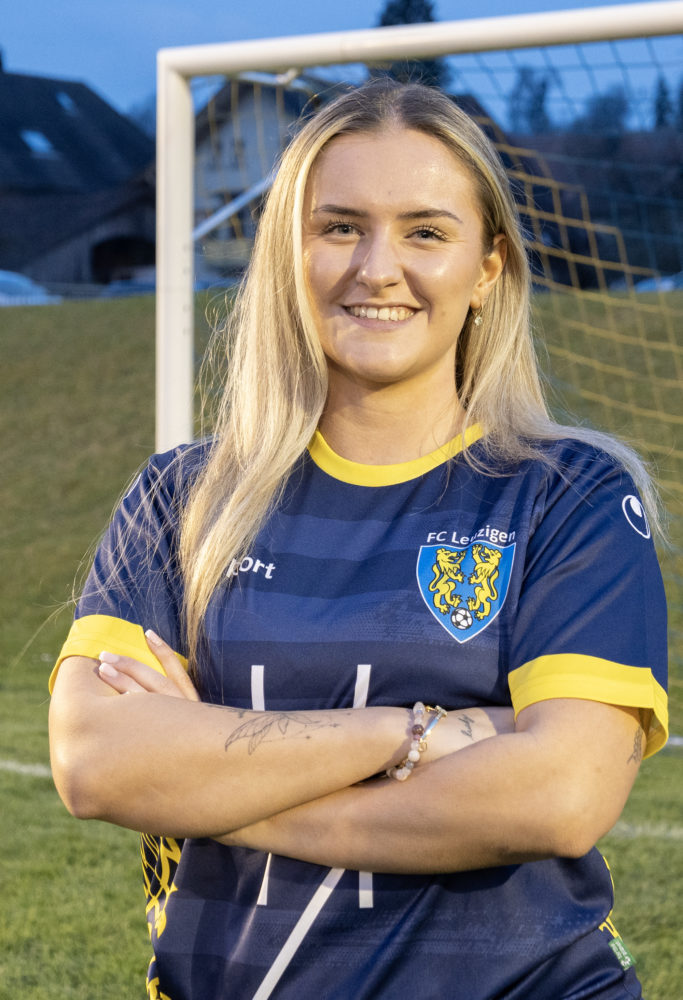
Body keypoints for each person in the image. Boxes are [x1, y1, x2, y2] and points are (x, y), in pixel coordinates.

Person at [49, 81, 668, 1000]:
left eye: (425, 232)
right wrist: (411, 732)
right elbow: (96, 762)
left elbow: (559, 797)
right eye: (340, 227)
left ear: (487, 269)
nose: (378, 269)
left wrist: (211, 789)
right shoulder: (181, 499)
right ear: (288, 254)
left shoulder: (567, 496)